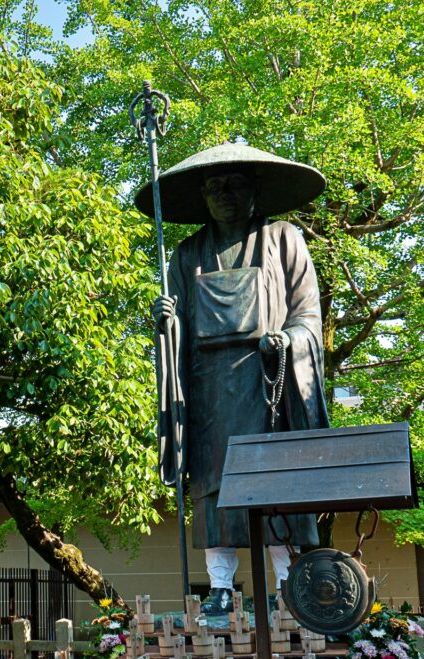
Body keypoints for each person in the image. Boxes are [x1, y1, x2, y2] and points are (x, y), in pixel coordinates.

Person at [135, 142, 330, 615]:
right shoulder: (187, 254)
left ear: (255, 190)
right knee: (213, 487)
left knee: (277, 483)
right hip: (209, 391)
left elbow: (308, 314)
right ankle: (220, 585)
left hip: (270, 385)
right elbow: (175, 326)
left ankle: (288, 582)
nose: (224, 194)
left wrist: (289, 339)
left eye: (235, 184)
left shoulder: (285, 239)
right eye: (214, 186)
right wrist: (166, 321)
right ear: (202, 195)